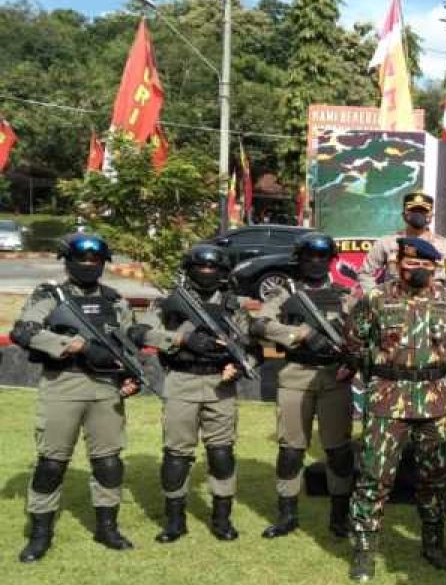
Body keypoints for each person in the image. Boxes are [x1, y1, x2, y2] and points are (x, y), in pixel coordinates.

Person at [345, 237, 446, 581]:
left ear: (435, 267)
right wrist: (384, 368)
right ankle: (365, 551)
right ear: (399, 264)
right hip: (388, 397)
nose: (416, 269)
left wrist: (432, 365)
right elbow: (355, 340)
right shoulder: (376, 298)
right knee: (374, 475)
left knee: (438, 476)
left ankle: (433, 544)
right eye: (410, 263)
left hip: (435, 398)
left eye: (424, 264)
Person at [11, 234, 141, 562]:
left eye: (95, 261)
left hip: (105, 389)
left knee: (109, 463)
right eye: (81, 260)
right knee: (52, 464)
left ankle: (107, 528)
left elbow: (128, 344)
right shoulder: (51, 296)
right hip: (63, 385)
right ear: (68, 262)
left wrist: (132, 377)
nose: (88, 266)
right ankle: (40, 535)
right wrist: (76, 346)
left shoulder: (115, 300)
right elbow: (24, 331)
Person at [134, 243, 256, 543]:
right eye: (200, 267)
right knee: (177, 454)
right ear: (189, 270)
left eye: (213, 268)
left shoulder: (232, 306)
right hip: (182, 381)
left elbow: (251, 347)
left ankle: (221, 519)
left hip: (220, 385)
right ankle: (174, 521)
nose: (206, 273)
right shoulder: (170, 302)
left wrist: (240, 367)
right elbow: (139, 333)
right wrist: (181, 339)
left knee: (221, 453)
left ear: (223, 272)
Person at [249, 233, 357, 539]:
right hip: (296, 375)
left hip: (334, 378)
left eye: (322, 257)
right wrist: (300, 335)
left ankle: (339, 517)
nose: (315, 262)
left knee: (338, 451)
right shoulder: (285, 294)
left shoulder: (343, 295)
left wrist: (352, 360)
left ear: (331, 260)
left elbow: (360, 334)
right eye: (309, 256)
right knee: (291, 449)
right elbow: (259, 325)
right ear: (300, 258)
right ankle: (287, 516)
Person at [357, 191, 446, 291]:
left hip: (433, 303)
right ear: (404, 214)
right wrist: (373, 294)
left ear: (431, 215)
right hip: (395, 302)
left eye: (423, 211)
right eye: (413, 211)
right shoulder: (386, 243)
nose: (418, 214)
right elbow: (365, 273)